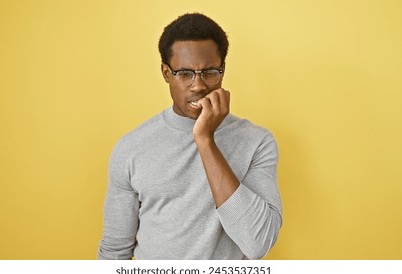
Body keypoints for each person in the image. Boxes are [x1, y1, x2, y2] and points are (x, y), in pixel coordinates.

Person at [98, 13, 282, 260]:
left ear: (223, 71)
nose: (198, 85)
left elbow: (257, 243)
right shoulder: (131, 148)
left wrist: (205, 141)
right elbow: (114, 251)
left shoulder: (257, 142)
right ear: (166, 73)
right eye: (184, 73)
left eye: (209, 72)